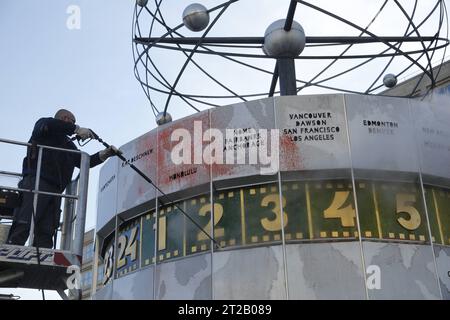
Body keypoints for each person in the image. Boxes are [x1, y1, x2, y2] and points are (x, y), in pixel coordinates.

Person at [6, 109, 119, 248]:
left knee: (47, 229)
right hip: (37, 182)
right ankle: (12, 248)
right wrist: (76, 129)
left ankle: (42, 258)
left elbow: (84, 162)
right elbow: (51, 125)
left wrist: (104, 154)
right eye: (72, 121)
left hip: (56, 190)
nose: (73, 124)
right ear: (64, 119)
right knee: (25, 220)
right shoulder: (44, 126)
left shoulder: (68, 144)